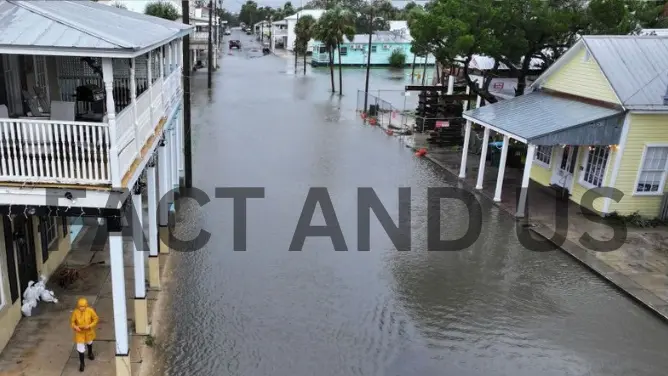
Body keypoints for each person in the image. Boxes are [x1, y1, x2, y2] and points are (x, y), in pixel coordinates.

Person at [70, 298, 99, 372]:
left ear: (86, 306)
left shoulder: (90, 311)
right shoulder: (75, 312)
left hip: (88, 331)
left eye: (83, 306)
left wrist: (90, 325)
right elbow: (72, 322)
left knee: (89, 342)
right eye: (80, 306)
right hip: (79, 332)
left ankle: (90, 353)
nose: (81, 308)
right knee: (80, 347)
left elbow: (96, 319)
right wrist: (75, 327)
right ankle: (82, 363)